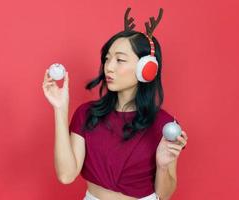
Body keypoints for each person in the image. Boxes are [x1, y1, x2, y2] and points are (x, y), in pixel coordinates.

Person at [42, 7, 188, 200]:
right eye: (107, 59)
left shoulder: (165, 125)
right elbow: (66, 175)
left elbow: (164, 194)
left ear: (147, 69)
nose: (109, 67)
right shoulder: (87, 114)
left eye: (119, 60)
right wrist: (60, 109)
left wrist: (163, 165)